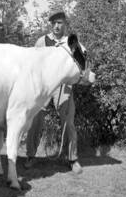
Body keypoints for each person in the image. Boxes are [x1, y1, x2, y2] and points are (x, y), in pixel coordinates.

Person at [25, 10, 83, 174]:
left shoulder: (71, 42)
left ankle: (73, 159)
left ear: (65, 24)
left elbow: (79, 63)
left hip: (63, 86)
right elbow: (32, 65)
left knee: (69, 122)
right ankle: (30, 156)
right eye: (54, 23)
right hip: (43, 87)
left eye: (60, 23)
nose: (57, 26)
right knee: (35, 120)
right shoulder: (42, 41)